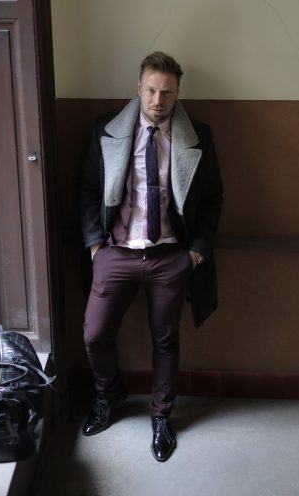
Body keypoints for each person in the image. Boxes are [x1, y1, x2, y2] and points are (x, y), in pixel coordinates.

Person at [78, 51, 224, 462]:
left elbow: (213, 198)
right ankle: (109, 396)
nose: (158, 99)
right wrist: (94, 246)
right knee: (94, 335)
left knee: (165, 339)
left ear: (178, 94)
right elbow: (89, 189)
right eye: (151, 90)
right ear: (138, 88)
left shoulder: (200, 137)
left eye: (167, 92)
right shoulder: (106, 131)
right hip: (116, 252)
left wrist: (195, 252)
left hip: (170, 256)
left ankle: (161, 416)